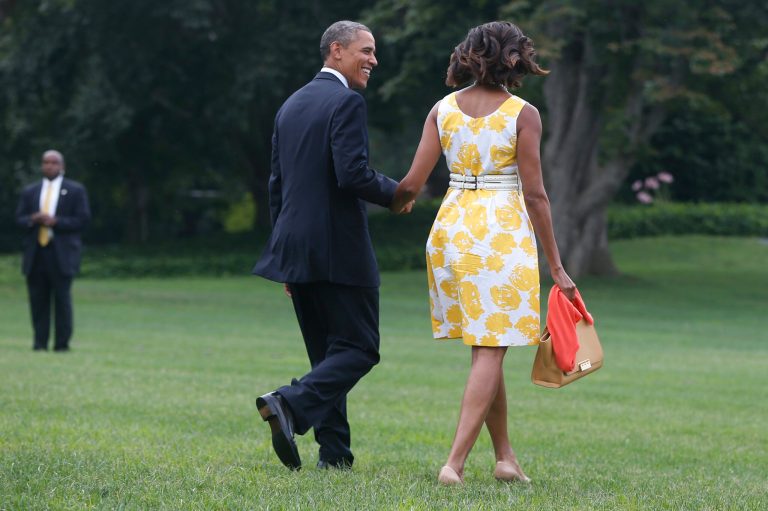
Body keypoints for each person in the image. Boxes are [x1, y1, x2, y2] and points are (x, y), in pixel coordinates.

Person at [390, 21, 577, 484]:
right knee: (491, 351)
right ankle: (453, 463)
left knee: (485, 348)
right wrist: (557, 266)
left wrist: (397, 200)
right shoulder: (523, 113)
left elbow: (412, 184)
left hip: (450, 231)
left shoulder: (442, 109)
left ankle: (506, 459)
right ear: (514, 58)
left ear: (469, 55)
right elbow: (535, 195)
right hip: (499, 234)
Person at [252, 20, 413, 471]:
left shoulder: (289, 106)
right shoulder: (346, 101)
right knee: (360, 349)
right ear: (336, 51)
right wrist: (398, 193)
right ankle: (288, 403)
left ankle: (334, 454)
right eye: (366, 50)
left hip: (296, 249)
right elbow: (353, 174)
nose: (374, 60)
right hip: (338, 250)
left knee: (327, 355)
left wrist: (285, 256)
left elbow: (276, 187)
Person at [15, 150, 91, 352]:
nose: (49, 166)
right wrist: (34, 219)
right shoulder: (30, 191)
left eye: (54, 163)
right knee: (38, 301)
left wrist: (56, 221)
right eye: (46, 162)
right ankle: (39, 343)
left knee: (62, 300)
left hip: (62, 254)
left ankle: (62, 344)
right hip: (36, 254)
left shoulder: (75, 190)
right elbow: (19, 219)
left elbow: (82, 219)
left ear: (62, 166)